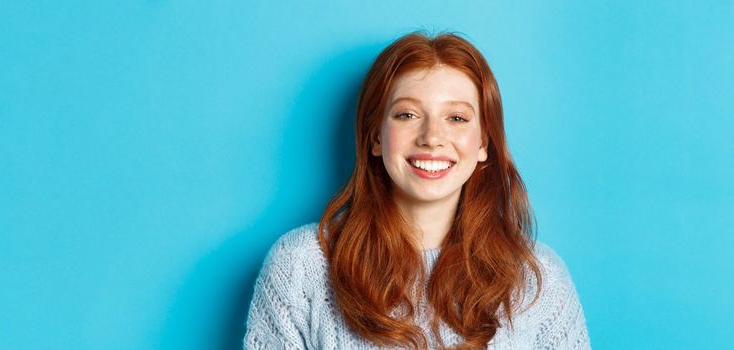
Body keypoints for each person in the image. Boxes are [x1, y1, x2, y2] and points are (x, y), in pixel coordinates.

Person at [243, 32, 590, 350]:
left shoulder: (538, 278)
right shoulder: (302, 266)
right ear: (376, 137)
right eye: (407, 114)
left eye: (456, 118)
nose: (431, 137)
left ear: (484, 142)